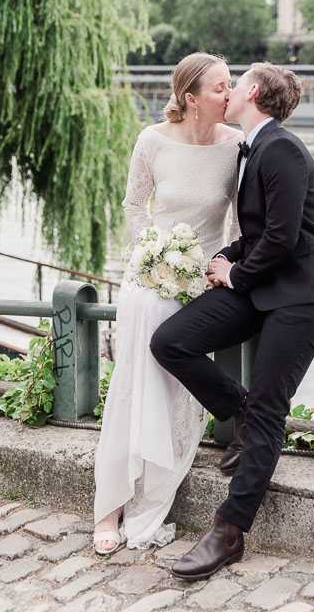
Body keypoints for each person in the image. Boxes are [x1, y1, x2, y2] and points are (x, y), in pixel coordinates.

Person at [150, 62, 314, 579]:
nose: (228, 89)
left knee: (269, 409)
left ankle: (229, 531)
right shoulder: (250, 147)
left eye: (235, 84)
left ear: (253, 92)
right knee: (171, 341)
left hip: (304, 294)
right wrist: (226, 258)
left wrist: (235, 275)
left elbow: (282, 239)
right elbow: (259, 233)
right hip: (263, 282)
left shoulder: (282, 148)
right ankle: (236, 410)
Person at [93, 52, 242, 554]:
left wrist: (220, 268)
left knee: (173, 347)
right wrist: (152, 257)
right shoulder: (151, 140)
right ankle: (112, 504)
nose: (232, 94)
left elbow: (239, 224)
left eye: (231, 85)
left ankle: (152, 492)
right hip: (151, 273)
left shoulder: (237, 145)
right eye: (222, 87)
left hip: (204, 280)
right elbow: (135, 205)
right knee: (146, 338)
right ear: (190, 98)